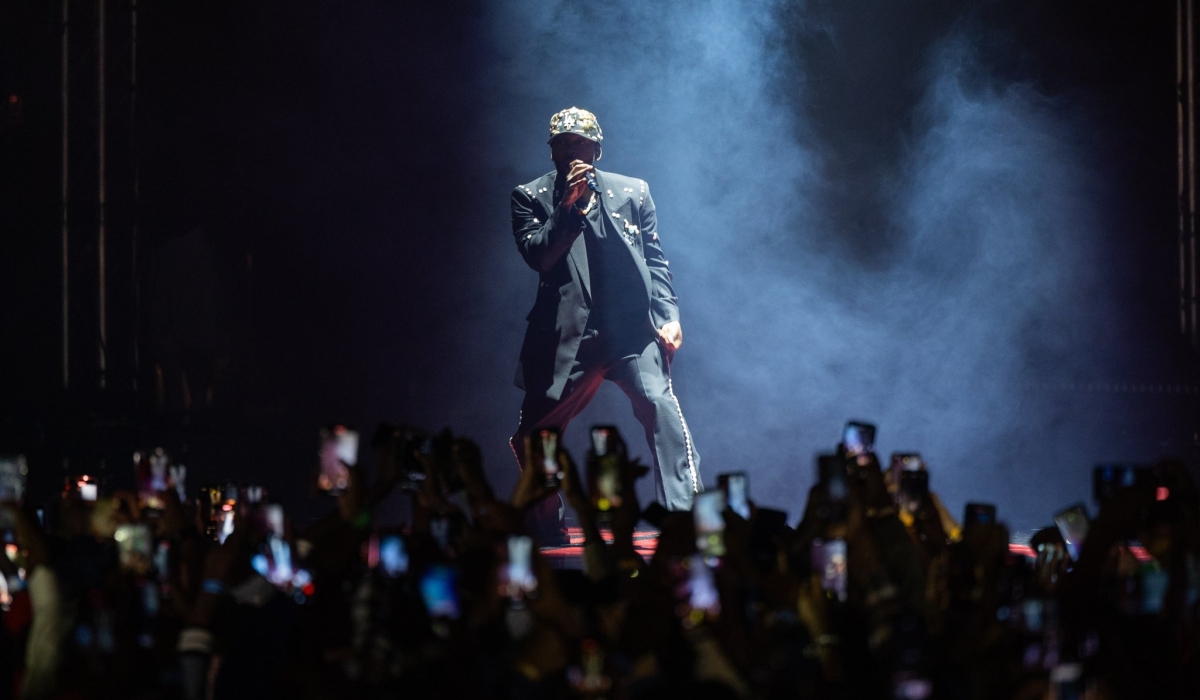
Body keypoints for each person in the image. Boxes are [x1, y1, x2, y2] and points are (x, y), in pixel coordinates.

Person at [508, 107, 701, 544]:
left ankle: (683, 521)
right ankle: (545, 524)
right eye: (560, 143)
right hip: (567, 338)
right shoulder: (531, 196)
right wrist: (567, 208)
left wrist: (668, 316)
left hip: (630, 333)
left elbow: (655, 261)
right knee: (536, 436)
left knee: (660, 407)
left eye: (578, 143)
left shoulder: (632, 191)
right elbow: (539, 256)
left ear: (596, 148)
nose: (568, 151)